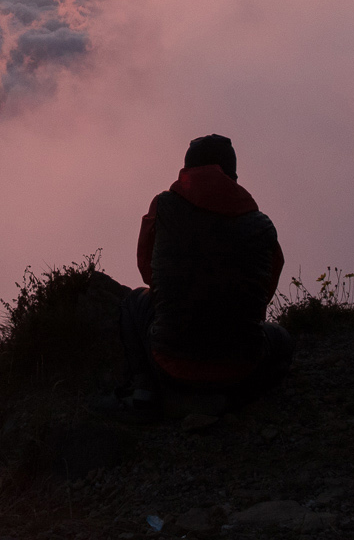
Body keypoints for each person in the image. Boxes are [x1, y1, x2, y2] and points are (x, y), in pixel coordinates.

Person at [109, 134, 294, 419]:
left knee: (133, 303)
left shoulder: (164, 206)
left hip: (170, 365)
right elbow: (265, 291)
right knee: (281, 340)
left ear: (187, 170)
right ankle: (234, 400)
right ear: (232, 174)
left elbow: (148, 271)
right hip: (241, 369)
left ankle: (144, 392)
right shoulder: (262, 225)